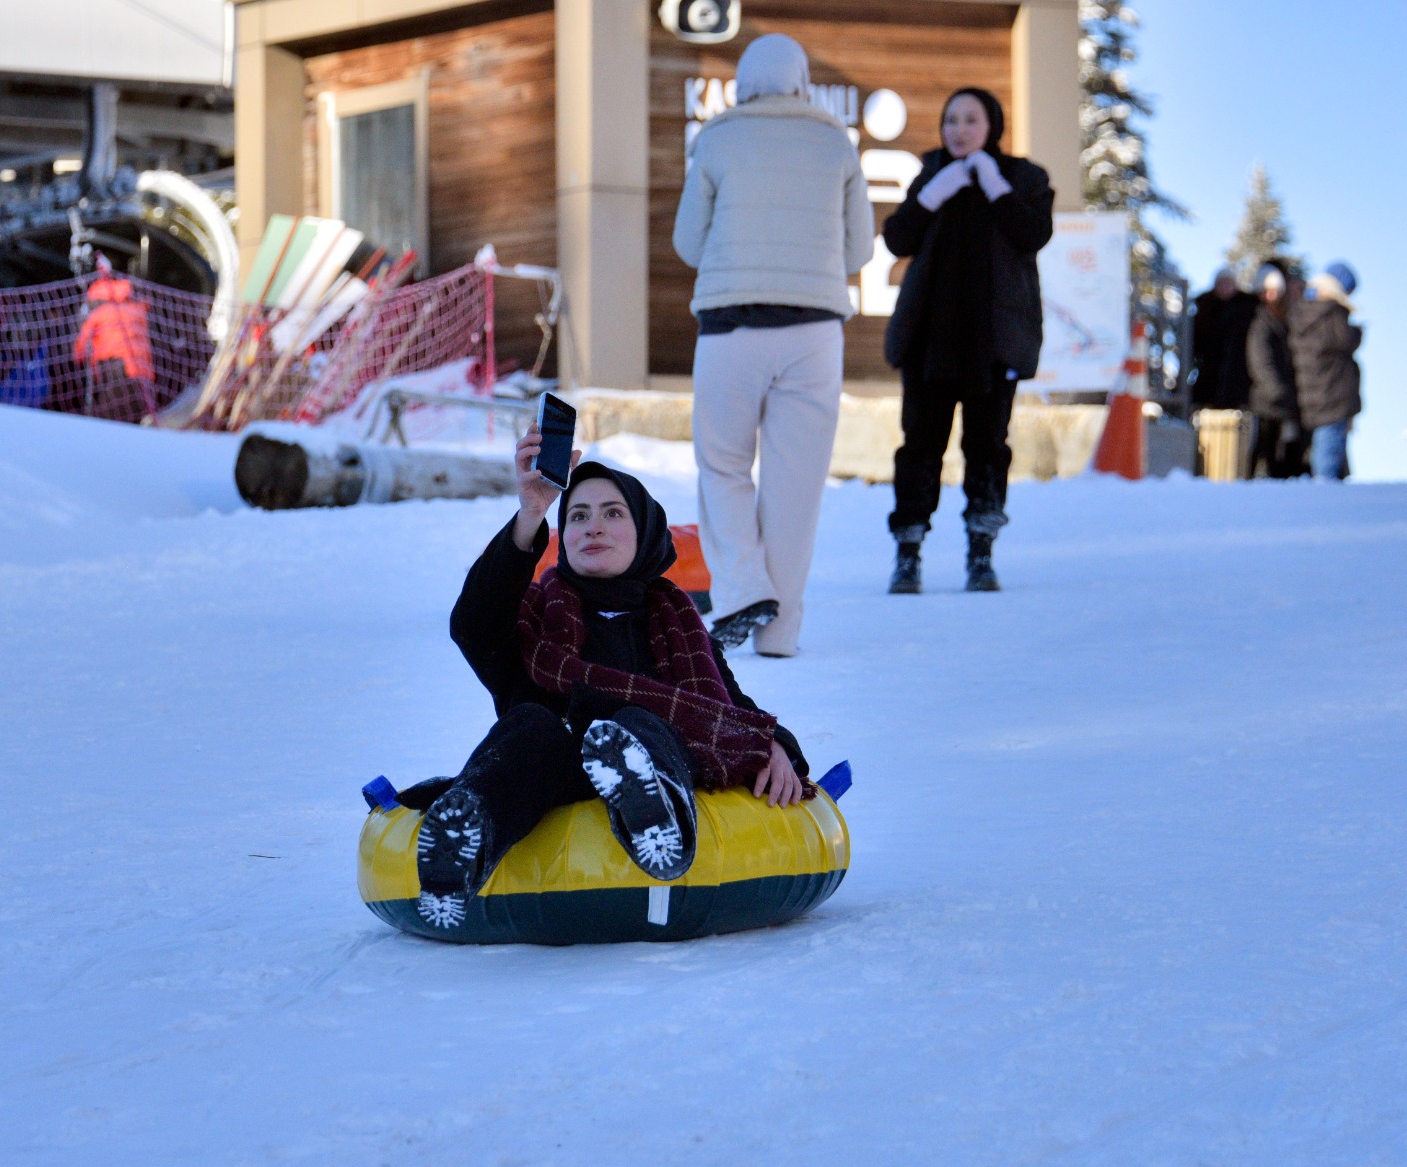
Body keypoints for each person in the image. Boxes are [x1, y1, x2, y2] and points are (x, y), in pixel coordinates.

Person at [397, 426, 813, 929]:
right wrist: (531, 513)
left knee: (640, 721)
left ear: (645, 534)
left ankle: (654, 807)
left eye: (612, 513)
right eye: (578, 516)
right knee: (531, 721)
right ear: (563, 538)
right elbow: (473, 624)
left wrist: (774, 746)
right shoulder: (532, 621)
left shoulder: (679, 626)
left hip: (658, 758)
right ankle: (463, 841)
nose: (593, 527)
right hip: (555, 775)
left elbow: (732, 709)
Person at [673, 33, 874, 656]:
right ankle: (781, 633)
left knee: (724, 465)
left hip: (731, 327)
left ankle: (738, 593)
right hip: (814, 331)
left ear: (744, 83)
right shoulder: (835, 142)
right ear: (802, 82)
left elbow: (687, 242)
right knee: (797, 485)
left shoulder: (717, 138)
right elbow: (861, 250)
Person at [881, 87, 1054, 594]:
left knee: (987, 448)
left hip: (994, 343)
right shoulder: (932, 170)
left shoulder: (1025, 177)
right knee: (919, 449)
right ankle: (907, 555)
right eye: (950, 119)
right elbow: (897, 239)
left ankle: (981, 553)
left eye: (970, 119)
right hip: (928, 341)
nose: (958, 129)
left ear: (992, 125)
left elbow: (1033, 233)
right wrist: (937, 190)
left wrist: (993, 184)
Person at [1290, 261, 1363, 481]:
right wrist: (1357, 331)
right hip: (1331, 397)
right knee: (1327, 462)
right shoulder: (1331, 313)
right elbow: (1346, 339)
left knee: (1326, 455)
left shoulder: (1304, 311)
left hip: (1316, 395)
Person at [73, 256, 157, 423]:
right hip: (144, 377)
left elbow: (78, 352)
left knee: (107, 423)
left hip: (114, 372)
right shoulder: (139, 310)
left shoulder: (97, 315)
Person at [1245, 262, 1307, 478]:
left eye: (1275, 292)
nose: (1271, 297)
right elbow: (1262, 364)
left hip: (1286, 403)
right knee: (1267, 455)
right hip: (1268, 404)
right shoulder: (1261, 326)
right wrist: (1279, 392)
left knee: (1286, 462)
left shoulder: (1285, 322)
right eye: (1267, 292)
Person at [1189, 267, 1257, 411]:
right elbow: (1195, 345)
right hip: (1209, 378)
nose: (1225, 287)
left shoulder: (1247, 310)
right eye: (1222, 283)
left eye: (1229, 282)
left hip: (1238, 380)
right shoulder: (1205, 310)